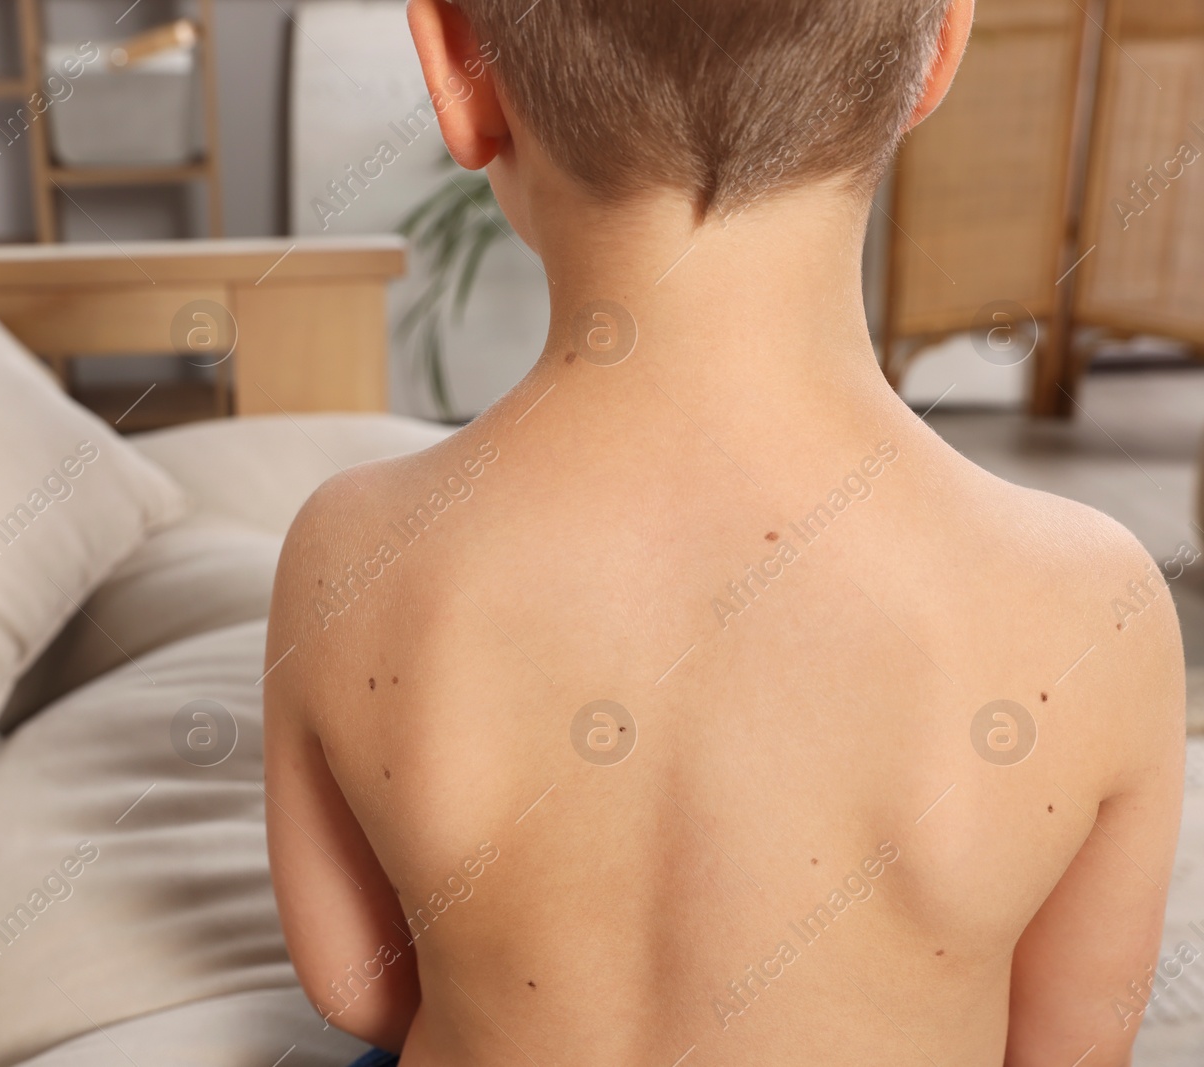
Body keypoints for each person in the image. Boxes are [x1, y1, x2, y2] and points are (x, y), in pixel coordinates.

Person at [263, 1, 1187, 1063]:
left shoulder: (350, 548)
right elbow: (1070, 1048)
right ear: (937, 51)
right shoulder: (1089, 603)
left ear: (457, 64)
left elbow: (356, 988)